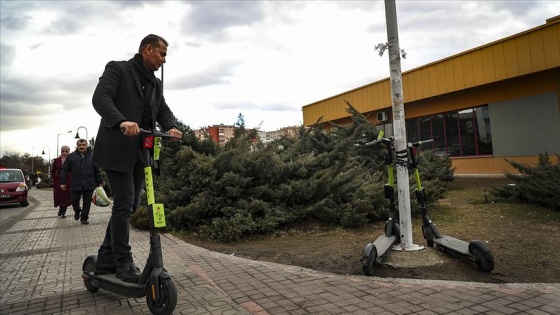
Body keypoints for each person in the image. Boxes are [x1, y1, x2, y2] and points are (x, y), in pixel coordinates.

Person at [91, 34, 182, 283]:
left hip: (142, 152)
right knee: (124, 203)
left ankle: (105, 257)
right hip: (117, 149)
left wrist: (171, 126)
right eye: (162, 54)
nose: (164, 59)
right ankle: (123, 262)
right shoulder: (118, 69)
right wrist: (121, 121)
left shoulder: (155, 83)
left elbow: (162, 109)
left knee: (130, 207)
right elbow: (100, 98)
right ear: (148, 49)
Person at [60, 139, 104, 225]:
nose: (82, 147)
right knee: (74, 200)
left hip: (89, 183)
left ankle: (84, 217)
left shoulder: (92, 156)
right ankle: (77, 210)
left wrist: (101, 180)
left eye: (83, 145)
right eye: (80, 145)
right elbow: (64, 170)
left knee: (87, 202)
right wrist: (62, 182)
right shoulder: (71, 157)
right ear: (77, 146)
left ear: (86, 146)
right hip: (76, 183)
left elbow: (97, 170)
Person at [51, 146, 72, 218]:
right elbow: (53, 171)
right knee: (59, 196)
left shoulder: (71, 160)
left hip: (68, 182)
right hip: (58, 182)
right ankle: (60, 208)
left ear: (69, 152)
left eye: (66, 151)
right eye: (63, 151)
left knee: (66, 197)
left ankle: (64, 212)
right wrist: (55, 179)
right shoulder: (56, 161)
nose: (64, 153)